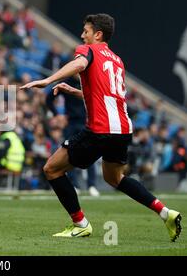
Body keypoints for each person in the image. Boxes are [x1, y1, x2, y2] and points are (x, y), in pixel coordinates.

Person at [21, 13, 182, 241]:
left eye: (85, 32)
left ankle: (80, 223)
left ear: (97, 34)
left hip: (100, 129)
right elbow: (106, 96)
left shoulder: (88, 50)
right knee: (115, 178)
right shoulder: (117, 61)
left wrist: (48, 80)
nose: (82, 36)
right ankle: (166, 213)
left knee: (52, 169)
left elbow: (79, 63)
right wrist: (73, 91)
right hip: (123, 130)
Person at [46, 75, 101, 196]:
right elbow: (49, 99)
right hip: (70, 123)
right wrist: (57, 114)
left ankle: (91, 185)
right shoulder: (66, 83)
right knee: (69, 154)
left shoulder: (89, 81)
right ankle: (74, 185)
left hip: (86, 123)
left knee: (90, 153)